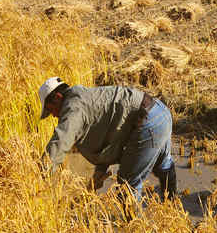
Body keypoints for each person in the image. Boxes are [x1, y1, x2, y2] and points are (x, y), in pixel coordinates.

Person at [38, 76, 177, 202]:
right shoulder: (85, 96)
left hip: (147, 122)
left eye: (51, 110)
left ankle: (136, 228)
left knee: (127, 188)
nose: (54, 115)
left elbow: (61, 140)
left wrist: (39, 176)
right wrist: (99, 173)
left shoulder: (73, 107)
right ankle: (173, 209)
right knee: (163, 164)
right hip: (159, 111)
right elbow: (110, 135)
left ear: (57, 97)